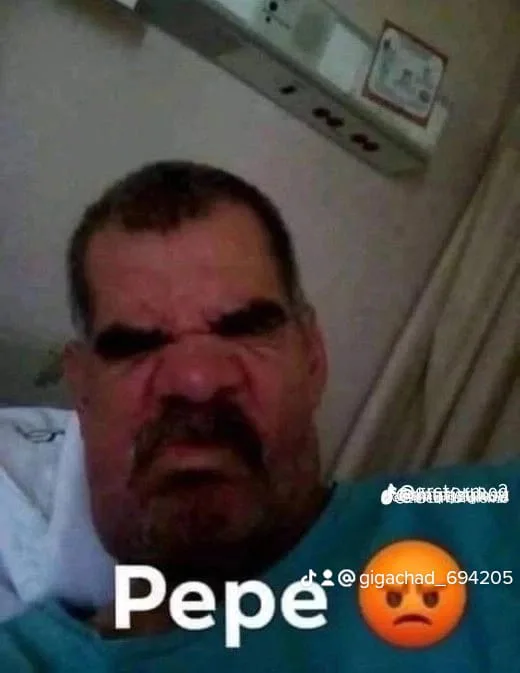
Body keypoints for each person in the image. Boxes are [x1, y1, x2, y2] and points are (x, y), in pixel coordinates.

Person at [0, 161, 518, 671]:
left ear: (312, 357)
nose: (196, 380)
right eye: (135, 345)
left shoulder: (487, 519)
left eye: (245, 328)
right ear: (83, 391)